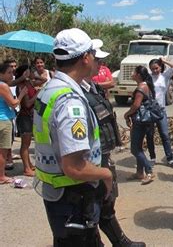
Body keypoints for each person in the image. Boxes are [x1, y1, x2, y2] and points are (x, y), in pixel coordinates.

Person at [32, 28, 113, 246]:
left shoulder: (50, 88)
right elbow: (74, 167)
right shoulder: (70, 102)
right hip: (74, 198)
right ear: (86, 58)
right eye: (93, 54)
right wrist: (105, 173)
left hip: (58, 196)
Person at [81, 41, 145, 247]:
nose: (100, 64)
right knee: (92, 208)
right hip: (91, 159)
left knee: (108, 201)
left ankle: (120, 241)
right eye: (97, 59)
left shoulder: (92, 88)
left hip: (104, 154)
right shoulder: (76, 92)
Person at [123, 66, 155, 185]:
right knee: (139, 147)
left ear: (138, 75)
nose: (131, 73)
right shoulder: (145, 85)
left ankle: (149, 171)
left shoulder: (141, 87)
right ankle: (139, 172)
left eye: (133, 71)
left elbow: (136, 105)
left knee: (135, 149)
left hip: (140, 121)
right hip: (145, 121)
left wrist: (126, 114)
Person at [147, 58, 173, 168]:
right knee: (150, 135)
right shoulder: (148, 78)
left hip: (161, 111)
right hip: (150, 111)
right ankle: (152, 158)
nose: (155, 70)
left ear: (160, 67)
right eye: (152, 69)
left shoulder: (164, 76)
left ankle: (169, 159)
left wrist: (164, 61)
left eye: (156, 68)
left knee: (165, 135)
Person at [0, 62, 27, 184]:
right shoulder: (3, 86)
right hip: (4, 120)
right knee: (3, 150)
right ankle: (1, 176)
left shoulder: (4, 84)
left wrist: (22, 78)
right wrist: (21, 95)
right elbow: (13, 103)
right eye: (9, 73)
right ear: (1, 74)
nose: (12, 75)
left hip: (3, 118)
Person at [15, 65, 38, 176]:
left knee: (28, 144)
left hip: (30, 116)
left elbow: (43, 80)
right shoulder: (21, 86)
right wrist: (37, 95)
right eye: (32, 71)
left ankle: (29, 164)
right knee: (25, 144)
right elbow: (27, 103)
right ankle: (26, 168)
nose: (34, 72)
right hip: (24, 117)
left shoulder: (29, 83)